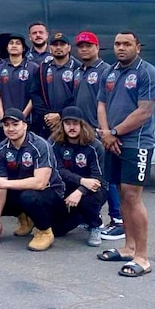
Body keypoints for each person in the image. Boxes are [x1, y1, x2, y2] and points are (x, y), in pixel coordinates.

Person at [96, 31, 155, 277]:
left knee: (133, 196)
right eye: (117, 44)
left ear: (138, 47)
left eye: (127, 44)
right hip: (112, 141)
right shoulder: (110, 72)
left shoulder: (147, 73)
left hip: (137, 143)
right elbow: (101, 103)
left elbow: (144, 112)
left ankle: (142, 258)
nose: (121, 48)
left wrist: (114, 132)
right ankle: (129, 247)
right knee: (122, 194)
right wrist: (105, 133)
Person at [0, 108, 65, 251]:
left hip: (51, 192)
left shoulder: (40, 145)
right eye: (6, 125)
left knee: (28, 196)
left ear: (25, 125)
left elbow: (40, 183)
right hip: (21, 190)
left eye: (15, 124)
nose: (10, 128)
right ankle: (25, 217)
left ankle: (45, 232)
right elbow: (0, 185)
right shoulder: (1, 149)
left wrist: (6, 183)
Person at [72, 31, 123, 241]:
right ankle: (92, 217)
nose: (84, 49)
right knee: (87, 175)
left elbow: (110, 103)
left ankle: (117, 220)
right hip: (82, 132)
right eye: (81, 46)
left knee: (108, 177)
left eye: (88, 45)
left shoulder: (106, 71)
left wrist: (106, 130)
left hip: (98, 131)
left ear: (97, 47)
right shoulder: (78, 71)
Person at [50, 106, 107, 247]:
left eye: (75, 123)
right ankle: (81, 216)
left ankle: (95, 224)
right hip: (65, 188)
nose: (72, 127)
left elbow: (98, 177)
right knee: (56, 231)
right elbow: (57, 170)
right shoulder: (54, 142)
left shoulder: (95, 145)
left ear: (82, 125)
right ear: (62, 125)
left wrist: (80, 191)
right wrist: (81, 181)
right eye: (68, 123)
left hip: (92, 190)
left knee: (90, 200)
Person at [31, 32, 77, 138]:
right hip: (47, 124)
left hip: (70, 121)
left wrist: (60, 115)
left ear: (69, 47)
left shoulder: (77, 68)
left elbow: (78, 97)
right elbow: (35, 93)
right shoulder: (43, 68)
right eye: (55, 45)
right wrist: (47, 116)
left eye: (62, 44)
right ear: (50, 48)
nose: (58, 47)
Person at [0, 33, 39, 123]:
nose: (14, 45)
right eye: (11, 43)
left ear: (24, 48)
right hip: (5, 120)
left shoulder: (33, 68)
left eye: (18, 43)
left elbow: (35, 96)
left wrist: (22, 117)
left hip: (28, 120)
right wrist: (2, 116)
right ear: (7, 48)